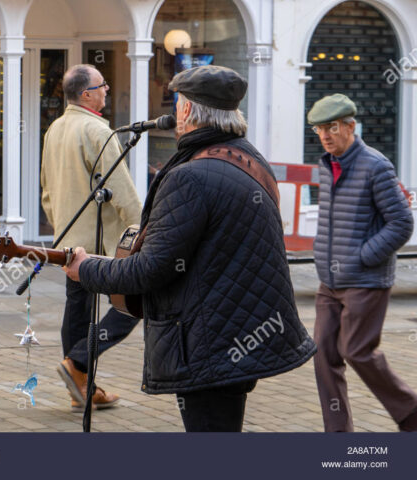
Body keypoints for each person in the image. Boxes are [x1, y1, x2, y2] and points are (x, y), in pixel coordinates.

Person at [63, 65, 316, 431]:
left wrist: (86, 269)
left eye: (178, 102)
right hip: (239, 334)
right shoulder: (249, 158)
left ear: (185, 110)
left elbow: (151, 268)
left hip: (210, 342)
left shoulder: (191, 176)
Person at [308, 93, 417, 432]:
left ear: (350, 126)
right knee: (323, 354)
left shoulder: (375, 165)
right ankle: (338, 435)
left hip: (365, 280)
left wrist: (363, 256)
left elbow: (401, 223)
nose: (325, 135)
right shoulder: (327, 165)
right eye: (318, 129)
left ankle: (411, 413)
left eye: (332, 127)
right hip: (330, 281)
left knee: (357, 351)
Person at [41, 64, 142, 412]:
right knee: (132, 304)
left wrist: (61, 230)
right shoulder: (99, 131)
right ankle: (78, 364)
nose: (107, 89)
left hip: (68, 239)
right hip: (102, 244)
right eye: (102, 85)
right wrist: (144, 232)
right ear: (86, 94)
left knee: (78, 309)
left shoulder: (55, 128)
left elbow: (46, 190)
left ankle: (80, 387)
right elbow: (122, 192)